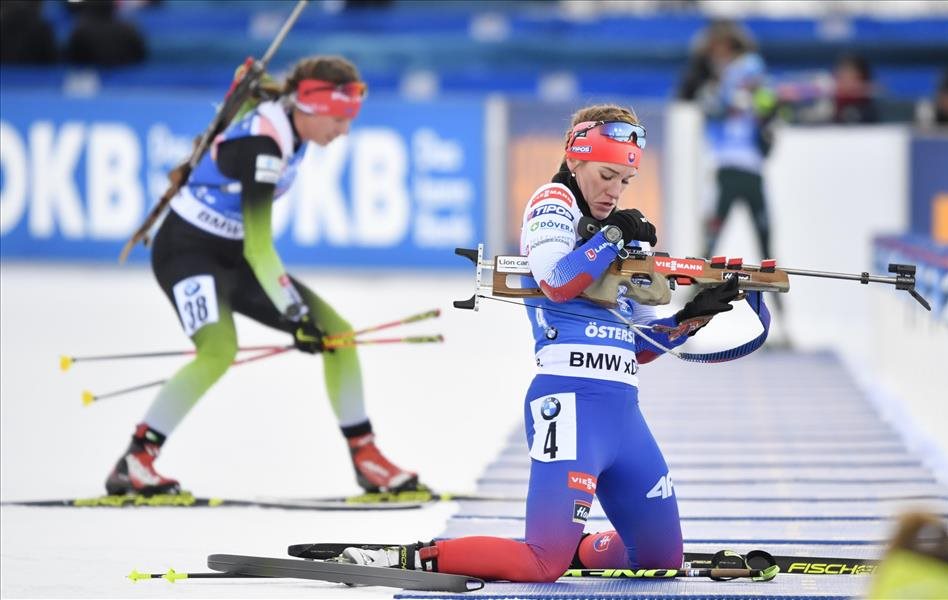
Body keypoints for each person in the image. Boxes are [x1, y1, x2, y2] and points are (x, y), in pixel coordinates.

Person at [340, 104, 743, 581]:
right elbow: (556, 280)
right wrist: (615, 234)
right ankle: (416, 557)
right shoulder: (553, 202)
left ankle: (581, 550)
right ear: (575, 159)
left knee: (660, 558)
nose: (614, 191)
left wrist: (692, 317)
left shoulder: (619, 233)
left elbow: (636, 345)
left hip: (623, 412)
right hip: (569, 406)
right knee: (542, 562)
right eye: (606, 175)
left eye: (624, 181)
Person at [104, 56, 418, 496]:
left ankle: (367, 457)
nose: (344, 130)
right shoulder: (264, 149)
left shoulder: (288, 119)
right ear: (310, 108)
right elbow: (259, 246)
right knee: (218, 350)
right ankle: (135, 459)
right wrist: (296, 315)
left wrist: (250, 79)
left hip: (234, 257)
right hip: (187, 253)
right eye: (338, 119)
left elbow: (257, 89)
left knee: (338, 336)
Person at [680, 20, 776, 263]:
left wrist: (759, 108)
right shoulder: (712, 81)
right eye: (715, 51)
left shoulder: (750, 67)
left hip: (752, 165)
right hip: (726, 165)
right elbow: (701, 101)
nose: (718, 56)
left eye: (722, 49)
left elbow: (766, 105)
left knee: (763, 231)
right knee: (714, 229)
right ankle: (699, 274)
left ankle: (772, 278)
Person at [832, 53, 879, 124]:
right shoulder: (828, 104)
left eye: (851, 76)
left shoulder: (876, 102)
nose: (847, 83)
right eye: (841, 76)